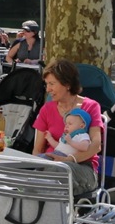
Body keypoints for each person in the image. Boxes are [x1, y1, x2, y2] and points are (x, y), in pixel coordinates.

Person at [31, 59, 103, 197]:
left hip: (82, 167)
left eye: (52, 84)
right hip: (50, 166)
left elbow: (95, 146)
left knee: (56, 172)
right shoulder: (47, 109)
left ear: (67, 84)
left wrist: (67, 160)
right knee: (27, 175)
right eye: (47, 84)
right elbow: (38, 149)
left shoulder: (91, 106)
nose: (48, 89)